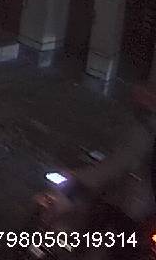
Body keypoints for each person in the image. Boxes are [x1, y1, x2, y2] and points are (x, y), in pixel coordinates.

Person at [39, 85, 156, 259]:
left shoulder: (145, 132)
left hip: (132, 214)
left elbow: (115, 167)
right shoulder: (144, 128)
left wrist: (74, 187)